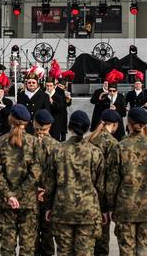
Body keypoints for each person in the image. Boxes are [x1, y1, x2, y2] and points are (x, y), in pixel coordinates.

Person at [105, 107, 147, 256]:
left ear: (128, 123)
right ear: (145, 124)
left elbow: (112, 181)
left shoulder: (120, 147)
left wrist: (110, 206)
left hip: (125, 208)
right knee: (146, 249)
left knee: (126, 249)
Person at [45, 110, 105, 255]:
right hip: (88, 211)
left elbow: (49, 183)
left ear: (69, 127)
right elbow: (101, 186)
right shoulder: (95, 152)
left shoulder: (57, 150)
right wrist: (103, 209)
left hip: (62, 209)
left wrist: (48, 207)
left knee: (64, 252)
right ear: (87, 128)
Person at [0, 104, 43, 256]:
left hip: (6, 202)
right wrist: (19, 194)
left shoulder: (0, 142)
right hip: (27, 202)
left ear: (10, 119)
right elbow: (36, 173)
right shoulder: (34, 143)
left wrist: (10, 195)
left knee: (7, 247)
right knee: (27, 248)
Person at [88, 109, 121, 256]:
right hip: (102, 196)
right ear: (114, 125)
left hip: (87, 194)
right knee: (102, 240)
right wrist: (109, 204)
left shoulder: (90, 139)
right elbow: (111, 175)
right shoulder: (113, 143)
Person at [34, 109, 59, 256]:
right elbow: (58, 174)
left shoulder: (28, 143)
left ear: (34, 123)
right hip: (49, 196)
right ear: (49, 126)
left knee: (32, 234)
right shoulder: (57, 146)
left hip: (31, 194)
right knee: (48, 233)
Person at [90, 70, 126, 139]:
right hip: (106, 126)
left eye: (114, 91)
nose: (112, 92)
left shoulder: (121, 97)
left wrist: (116, 109)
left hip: (118, 126)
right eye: (110, 91)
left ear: (117, 91)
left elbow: (124, 113)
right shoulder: (104, 96)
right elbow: (100, 113)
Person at [17, 67, 51, 134]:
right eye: (29, 82)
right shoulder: (21, 95)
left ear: (37, 84)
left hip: (38, 129)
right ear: (26, 84)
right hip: (24, 129)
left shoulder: (44, 96)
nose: (31, 84)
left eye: (33, 82)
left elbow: (47, 113)